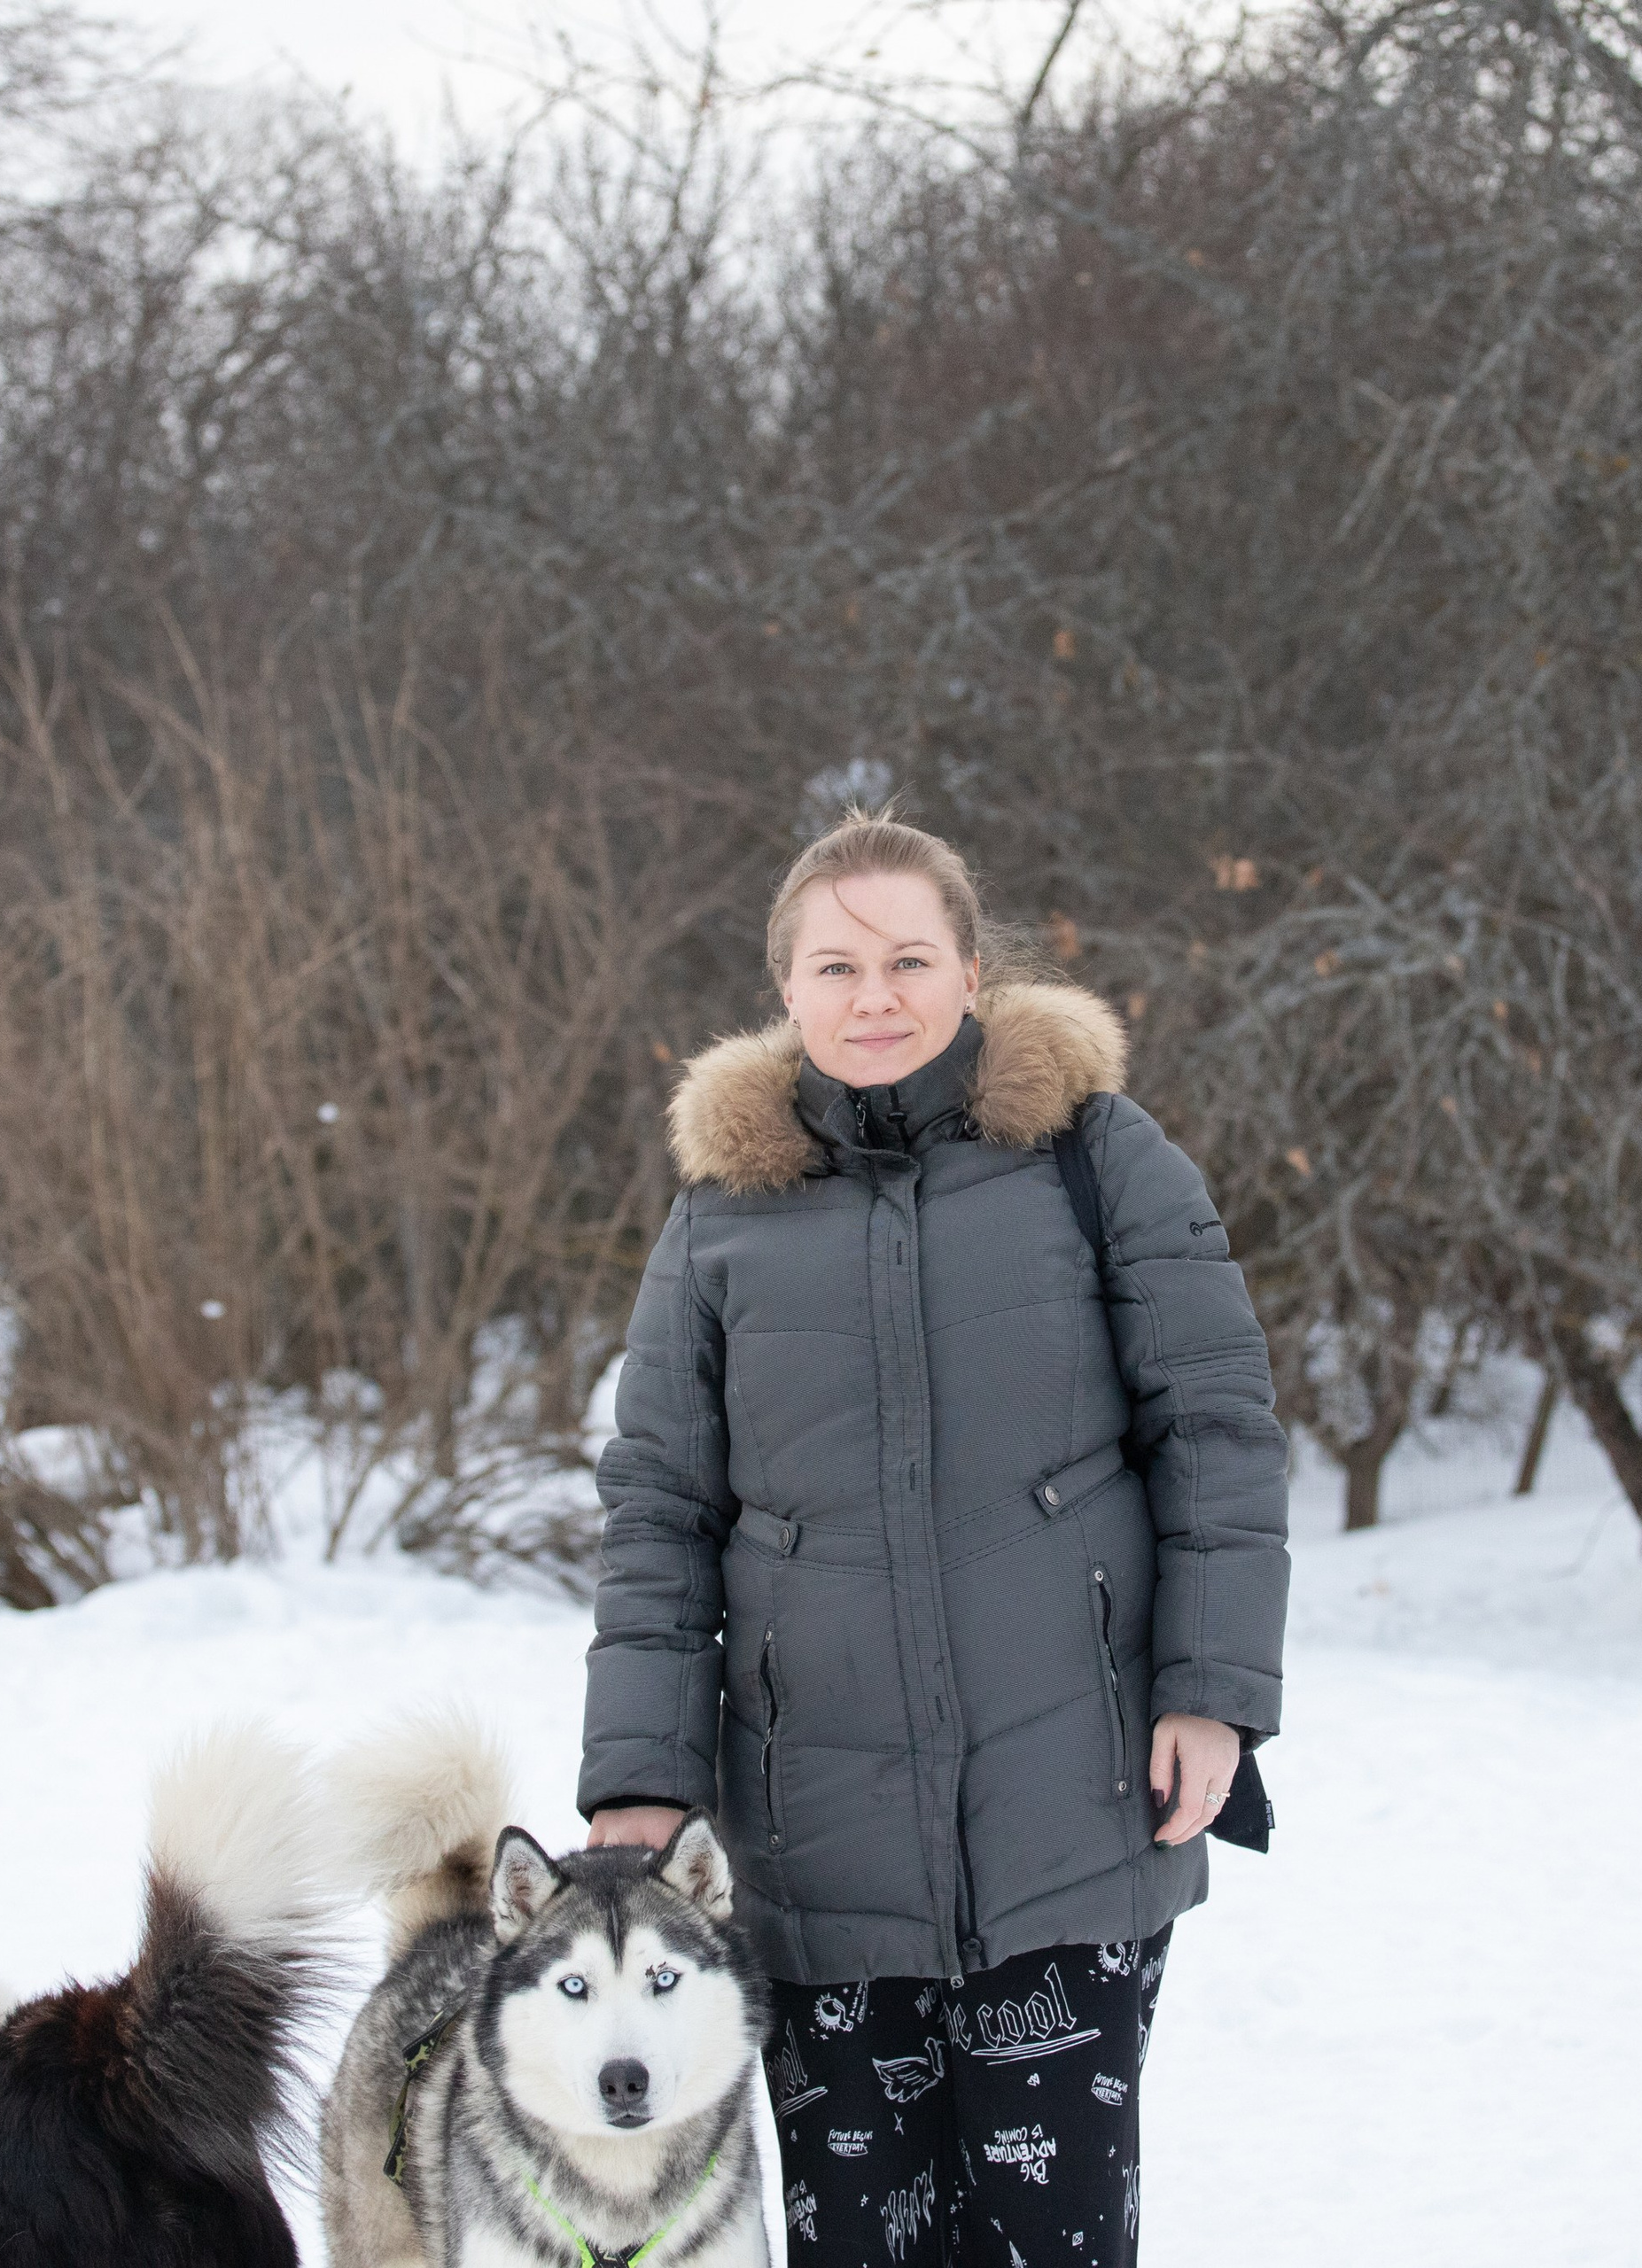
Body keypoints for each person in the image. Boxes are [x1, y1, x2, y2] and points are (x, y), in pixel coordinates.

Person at [579, 812, 1289, 2265]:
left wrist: (1213, 1691)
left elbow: (1214, 1431)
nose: (875, 994)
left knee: (1051, 2241)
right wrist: (641, 1784)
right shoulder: (721, 1217)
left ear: (971, 969)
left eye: (909, 958)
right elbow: (661, 1512)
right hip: (814, 1850)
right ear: (788, 989)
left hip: (1072, 1808)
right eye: (836, 965)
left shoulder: (1096, 1159)